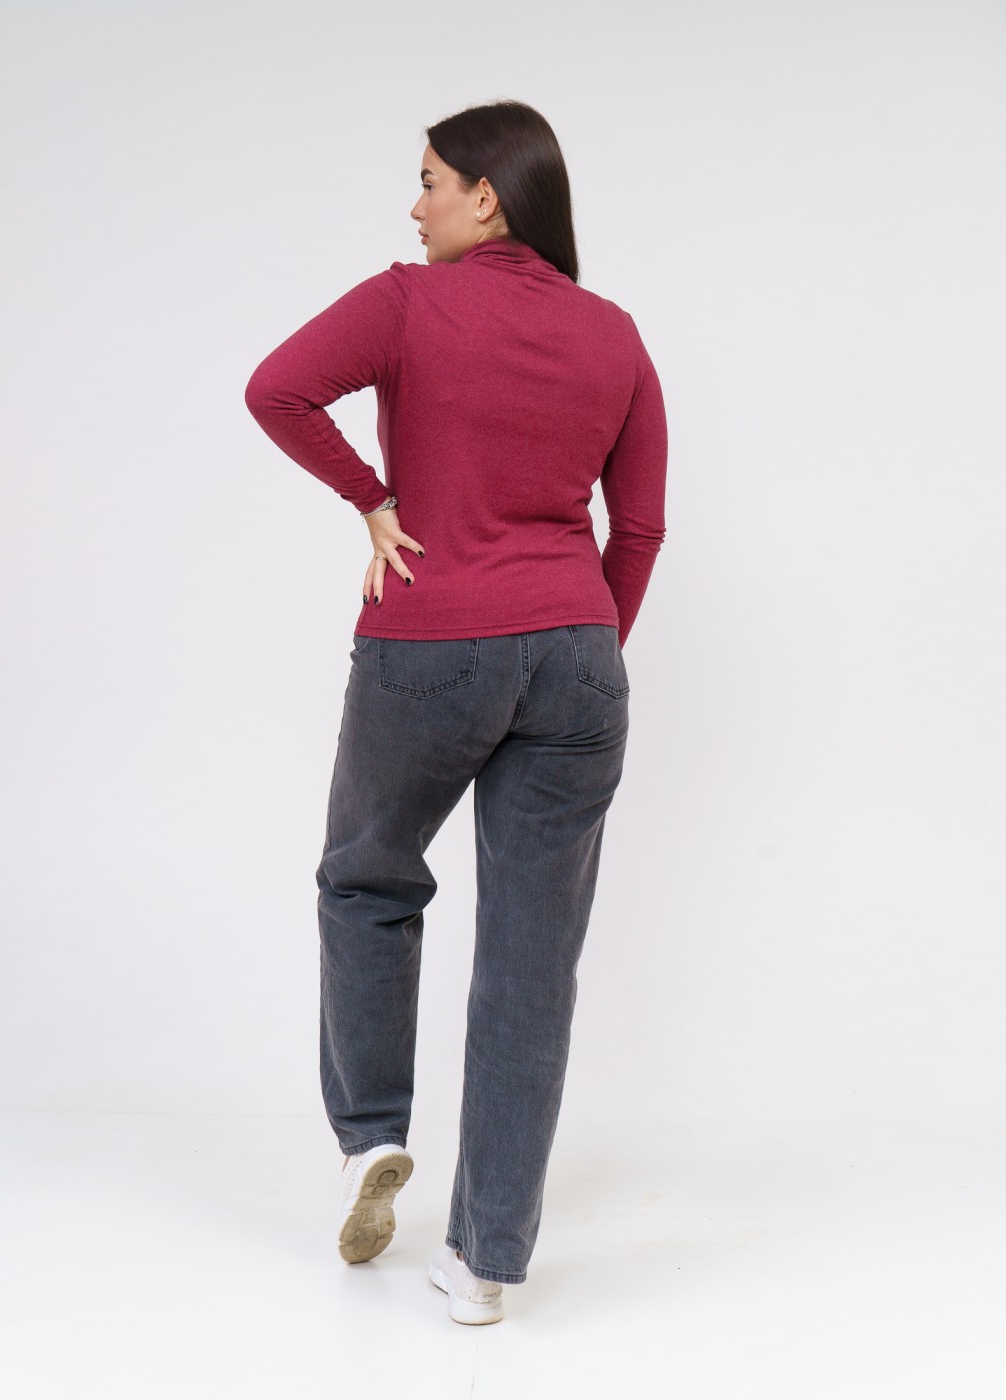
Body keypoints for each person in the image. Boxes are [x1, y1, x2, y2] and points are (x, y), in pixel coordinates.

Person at [243, 98, 668, 1326]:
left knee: (368, 879)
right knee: (532, 963)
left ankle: (372, 1134)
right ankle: (484, 1264)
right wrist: (580, 647)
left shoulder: (408, 302)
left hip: (430, 642)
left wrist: (374, 501)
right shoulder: (615, 334)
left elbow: (277, 390)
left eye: (429, 179)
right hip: (579, 655)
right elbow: (638, 527)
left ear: (487, 195)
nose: (414, 203)